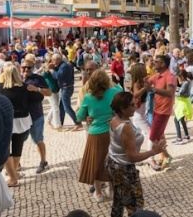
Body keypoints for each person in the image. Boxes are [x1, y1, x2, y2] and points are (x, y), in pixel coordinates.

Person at [107, 92, 166, 217]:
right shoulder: (126, 127)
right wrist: (153, 152)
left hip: (113, 164)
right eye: (132, 105)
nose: (135, 107)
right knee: (136, 205)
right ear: (123, 108)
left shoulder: (115, 119)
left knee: (118, 200)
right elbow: (132, 157)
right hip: (124, 169)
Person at [77, 69, 123, 202]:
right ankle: (112, 190)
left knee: (96, 162)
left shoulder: (88, 97)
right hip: (112, 131)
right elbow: (122, 103)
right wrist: (115, 116)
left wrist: (86, 117)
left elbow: (79, 116)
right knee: (113, 161)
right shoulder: (115, 92)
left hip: (95, 134)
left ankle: (98, 193)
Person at [0, 63, 36, 187]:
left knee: (5, 148)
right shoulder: (25, 87)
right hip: (22, 120)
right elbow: (38, 98)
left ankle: (12, 175)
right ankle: (14, 172)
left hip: (6, 120)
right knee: (18, 147)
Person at [20, 58, 52, 174]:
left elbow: (49, 92)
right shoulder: (16, 78)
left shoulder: (38, 78)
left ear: (33, 68)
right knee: (19, 140)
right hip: (21, 116)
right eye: (24, 67)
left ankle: (43, 161)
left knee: (38, 139)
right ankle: (16, 162)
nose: (26, 69)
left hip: (35, 114)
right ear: (20, 67)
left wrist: (37, 89)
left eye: (29, 67)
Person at [144, 55, 175, 169]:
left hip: (164, 111)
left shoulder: (170, 76)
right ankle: (166, 156)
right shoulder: (157, 76)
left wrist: (152, 89)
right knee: (158, 136)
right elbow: (147, 82)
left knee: (152, 136)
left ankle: (153, 158)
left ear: (163, 64)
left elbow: (170, 92)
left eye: (156, 62)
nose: (154, 63)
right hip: (157, 109)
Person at [47, 53, 81, 131]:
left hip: (67, 89)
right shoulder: (63, 65)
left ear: (58, 60)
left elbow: (57, 76)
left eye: (53, 60)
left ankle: (77, 123)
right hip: (66, 88)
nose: (52, 62)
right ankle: (60, 123)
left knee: (67, 107)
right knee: (62, 107)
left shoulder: (64, 66)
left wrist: (51, 70)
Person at [172, 69, 193, 145]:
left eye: (178, 77)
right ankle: (186, 135)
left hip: (183, 103)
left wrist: (173, 91)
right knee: (181, 119)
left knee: (176, 119)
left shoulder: (185, 84)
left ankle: (179, 138)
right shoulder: (187, 82)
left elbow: (180, 93)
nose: (178, 79)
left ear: (182, 77)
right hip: (184, 103)